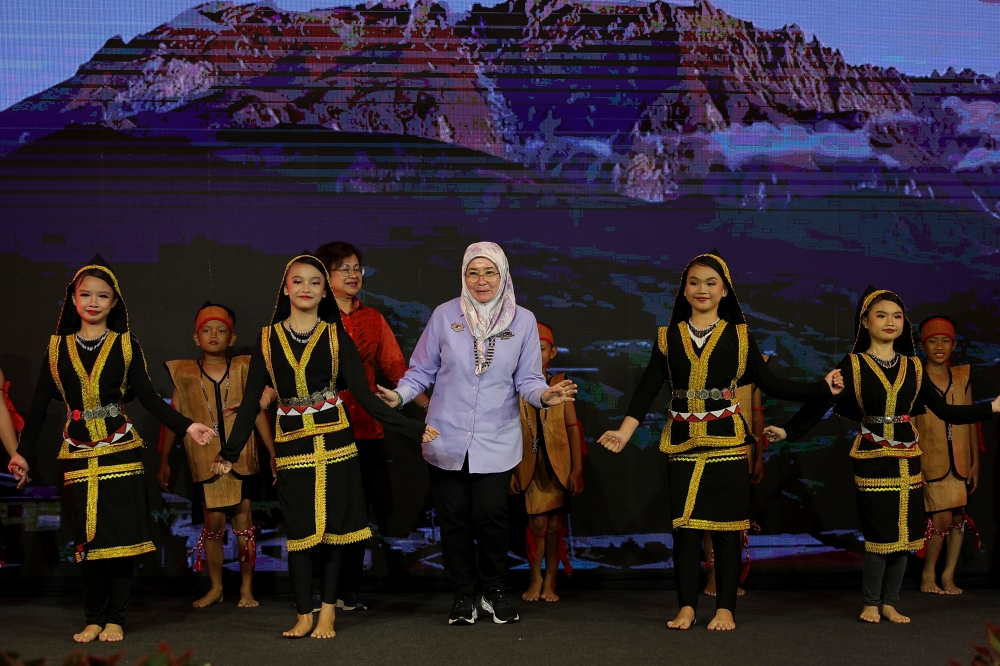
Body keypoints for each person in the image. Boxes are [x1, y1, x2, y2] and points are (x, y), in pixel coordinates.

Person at [597, 251, 842, 631]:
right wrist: (625, 430)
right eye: (693, 282)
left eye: (711, 283)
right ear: (683, 290)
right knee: (686, 528)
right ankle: (687, 607)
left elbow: (773, 384)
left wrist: (820, 388)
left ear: (725, 290)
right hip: (680, 443)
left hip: (728, 442)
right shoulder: (668, 337)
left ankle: (725, 608)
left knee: (727, 528)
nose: (702, 289)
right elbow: (649, 385)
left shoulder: (739, 336)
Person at [209, 255, 437, 639]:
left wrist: (414, 429)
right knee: (300, 535)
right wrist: (229, 452)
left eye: (314, 282)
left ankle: (328, 613)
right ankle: (303, 614)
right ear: (285, 288)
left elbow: (364, 396)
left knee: (334, 534)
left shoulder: (335, 336)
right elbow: (251, 403)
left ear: (323, 290)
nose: (305, 289)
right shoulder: (267, 339)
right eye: (297, 282)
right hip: (293, 446)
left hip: (336, 444)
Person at [8, 256, 216, 643]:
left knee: (120, 538)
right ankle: (93, 617)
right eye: (85, 294)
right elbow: (37, 408)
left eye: (102, 296)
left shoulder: (125, 344)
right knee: (89, 539)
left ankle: (116, 617)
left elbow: (151, 399)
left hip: (119, 449)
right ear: (72, 299)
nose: (93, 301)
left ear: (114, 302)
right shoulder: (57, 349)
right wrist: (21, 453)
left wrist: (188, 426)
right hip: (76, 453)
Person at [765, 288, 999, 624]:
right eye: (881, 315)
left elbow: (946, 410)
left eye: (897, 316)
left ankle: (890, 601)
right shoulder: (854, 364)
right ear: (865, 321)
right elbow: (823, 401)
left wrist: (989, 408)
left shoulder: (913, 367)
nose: (890, 322)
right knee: (880, 531)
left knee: (906, 533)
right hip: (873, 454)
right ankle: (871, 602)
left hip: (908, 454)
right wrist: (789, 431)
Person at [376, 242, 578, 626]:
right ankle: (464, 594)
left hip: (497, 437)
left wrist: (547, 396)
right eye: (474, 272)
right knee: (453, 518)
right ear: (464, 276)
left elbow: (530, 380)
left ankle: (494, 591)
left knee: (491, 517)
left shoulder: (522, 320)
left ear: (503, 276)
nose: (481, 280)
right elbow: (421, 369)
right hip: (446, 434)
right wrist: (400, 394)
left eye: (490, 273)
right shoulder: (444, 316)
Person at [314, 241, 430, 612]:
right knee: (323, 511)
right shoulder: (309, 317)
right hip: (318, 429)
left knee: (358, 515)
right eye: (343, 268)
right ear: (324, 275)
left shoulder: (373, 319)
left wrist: (431, 410)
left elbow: (398, 370)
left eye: (357, 268)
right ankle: (319, 591)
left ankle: (349, 590)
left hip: (365, 429)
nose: (353, 275)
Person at [157, 302, 278, 608]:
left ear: (232, 338)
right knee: (213, 524)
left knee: (244, 521)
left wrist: (273, 452)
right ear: (197, 338)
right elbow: (174, 418)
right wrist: (164, 458)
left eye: (221, 330)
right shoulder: (184, 374)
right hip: (205, 459)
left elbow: (258, 413)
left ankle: (247, 588)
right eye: (207, 330)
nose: (214, 335)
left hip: (243, 458)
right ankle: (215, 587)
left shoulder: (245, 368)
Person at [510, 322, 584, 603]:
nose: (534, 354)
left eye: (540, 348)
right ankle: (535, 577)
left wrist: (577, 469)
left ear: (552, 352)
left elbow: (572, 427)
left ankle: (550, 580)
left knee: (554, 526)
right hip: (528, 464)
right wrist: (509, 472)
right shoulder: (512, 387)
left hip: (558, 463)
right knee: (537, 525)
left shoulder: (559, 383)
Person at [914, 316, 983, 595]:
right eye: (933, 341)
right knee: (940, 519)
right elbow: (914, 425)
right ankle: (928, 574)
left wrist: (975, 462)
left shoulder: (962, 378)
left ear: (953, 344)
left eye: (945, 341)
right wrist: (914, 464)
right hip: (932, 460)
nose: (939, 346)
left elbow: (971, 421)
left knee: (957, 518)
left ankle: (949, 575)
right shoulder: (917, 379)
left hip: (961, 460)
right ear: (923, 345)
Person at [703, 371, 766, 597]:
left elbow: (757, 414)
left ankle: (728, 575)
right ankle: (712, 572)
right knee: (709, 513)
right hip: (708, 442)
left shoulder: (754, 364)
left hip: (742, 448)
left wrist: (758, 458)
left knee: (737, 518)